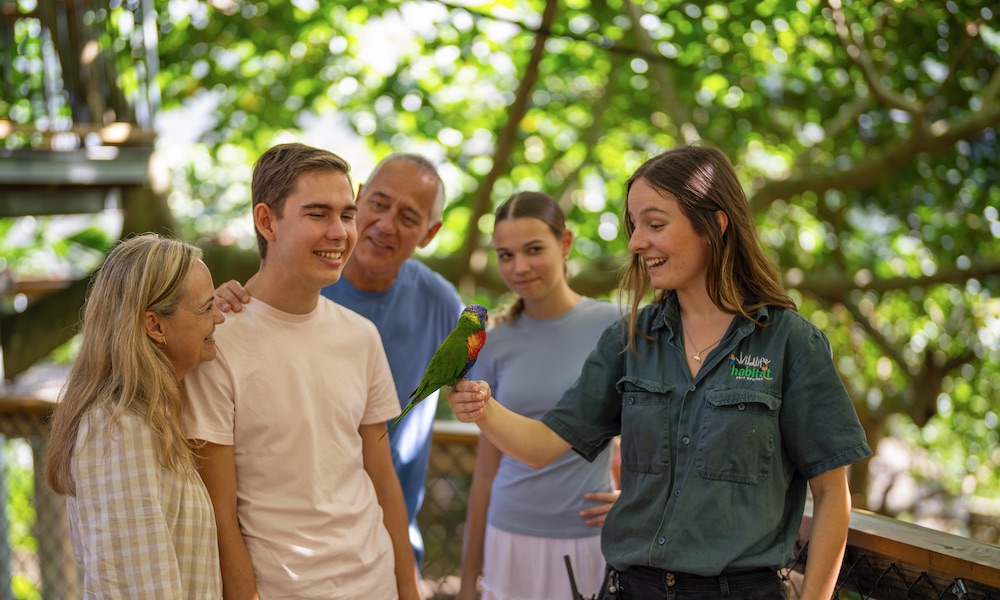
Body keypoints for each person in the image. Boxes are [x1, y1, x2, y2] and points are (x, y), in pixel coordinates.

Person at [449, 144, 873, 600]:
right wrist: (482, 406)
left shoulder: (791, 343)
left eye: (654, 224)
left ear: (715, 224)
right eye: (634, 227)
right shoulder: (629, 340)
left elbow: (832, 495)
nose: (635, 243)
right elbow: (540, 447)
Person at [181, 143, 420, 599]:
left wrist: (408, 587)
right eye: (317, 214)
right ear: (267, 221)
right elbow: (219, 510)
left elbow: (382, 476)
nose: (340, 232)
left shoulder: (362, 336)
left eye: (347, 215)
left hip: (375, 582)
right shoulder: (216, 343)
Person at [214, 153, 464, 573]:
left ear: (429, 232)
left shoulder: (440, 304)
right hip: (282, 556)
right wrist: (217, 306)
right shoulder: (303, 277)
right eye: (378, 204)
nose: (385, 224)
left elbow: (487, 394)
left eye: (408, 216)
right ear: (361, 198)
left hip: (384, 544)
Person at [458, 192, 622, 600]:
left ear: (565, 244)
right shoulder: (492, 341)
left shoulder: (614, 324)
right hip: (509, 534)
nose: (519, 267)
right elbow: (486, 470)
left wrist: (637, 501)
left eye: (533, 250)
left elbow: (653, 427)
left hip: (589, 537)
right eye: (505, 255)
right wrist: (465, 585)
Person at [44, 233, 225, 599]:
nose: (219, 316)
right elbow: (140, 588)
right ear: (155, 326)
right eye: (206, 308)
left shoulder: (146, 415)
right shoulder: (118, 430)